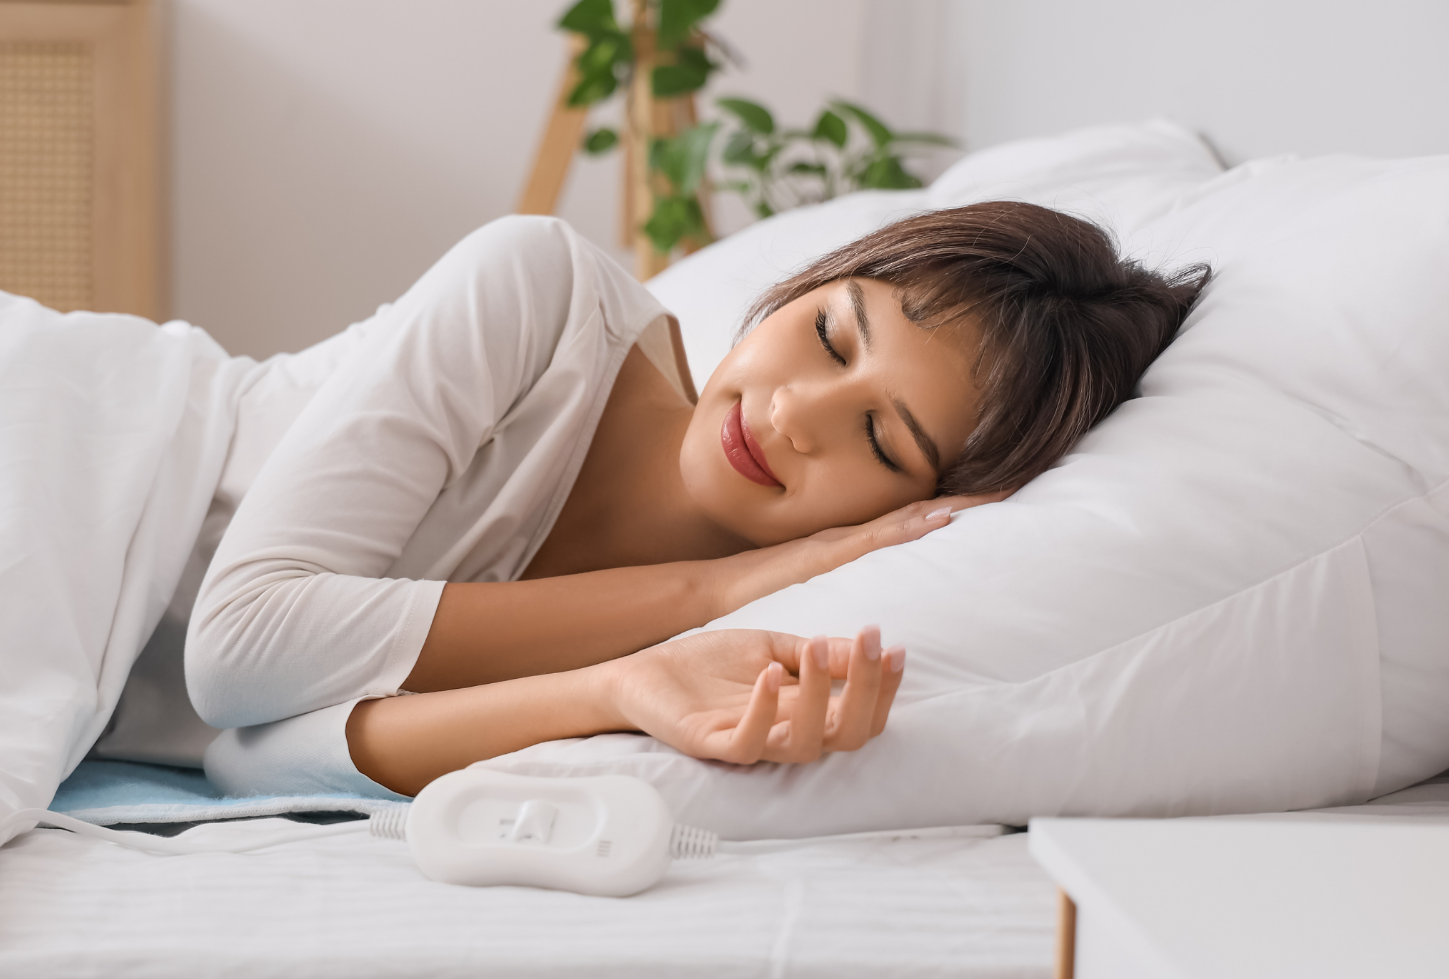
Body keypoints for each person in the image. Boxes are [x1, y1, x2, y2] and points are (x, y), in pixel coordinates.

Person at [111, 202, 1205, 800]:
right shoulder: (537, 294)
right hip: (70, 456)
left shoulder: (742, 643)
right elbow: (238, 655)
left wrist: (619, 689)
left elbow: (245, 753)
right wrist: (704, 590)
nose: (793, 413)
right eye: (830, 334)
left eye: (880, 437)